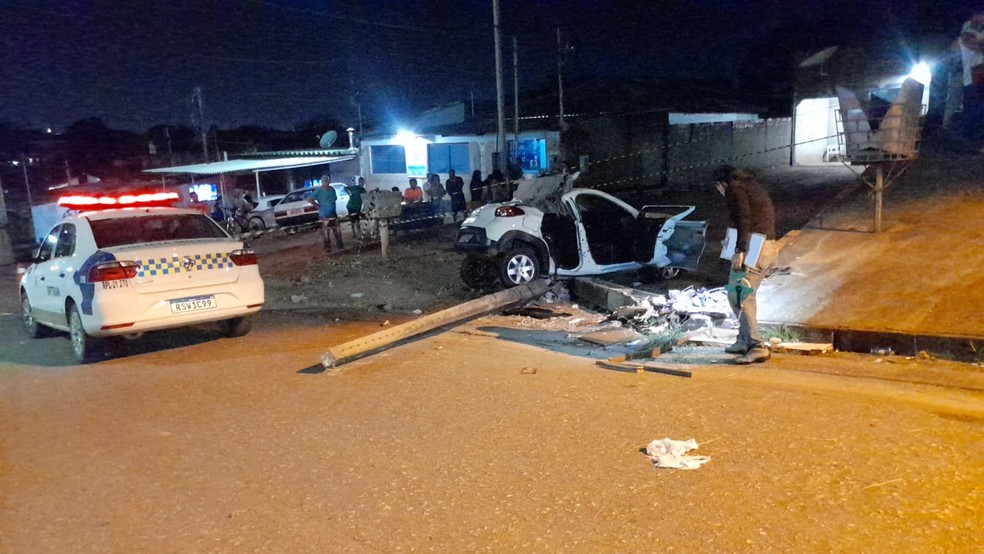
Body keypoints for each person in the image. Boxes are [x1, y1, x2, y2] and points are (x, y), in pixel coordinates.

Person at [712, 165, 778, 364]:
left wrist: (740, 250)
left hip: (754, 248)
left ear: (721, 183)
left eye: (718, 188)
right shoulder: (752, 186)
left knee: (740, 295)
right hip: (766, 246)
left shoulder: (735, 189)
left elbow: (743, 218)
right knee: (742, 294)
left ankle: (757, 346)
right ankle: (743, 339)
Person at [959, 12, 984, 145]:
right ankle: (969, 143)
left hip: (979, 76)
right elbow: (971, 43)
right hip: (973, 77)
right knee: (972, 111)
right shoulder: (969, 27)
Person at [308, 174, 343, 253]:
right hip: (324, 215)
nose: (326, 182)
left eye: (327, 181)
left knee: (337, 230)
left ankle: (340, 245)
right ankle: (328, 248)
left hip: (333, 214)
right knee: (326, 232)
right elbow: (309, 198)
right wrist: (317, 206)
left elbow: (335, 199)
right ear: (322, 182)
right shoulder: (319, 191)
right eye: (325, 181)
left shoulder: (332, 189)